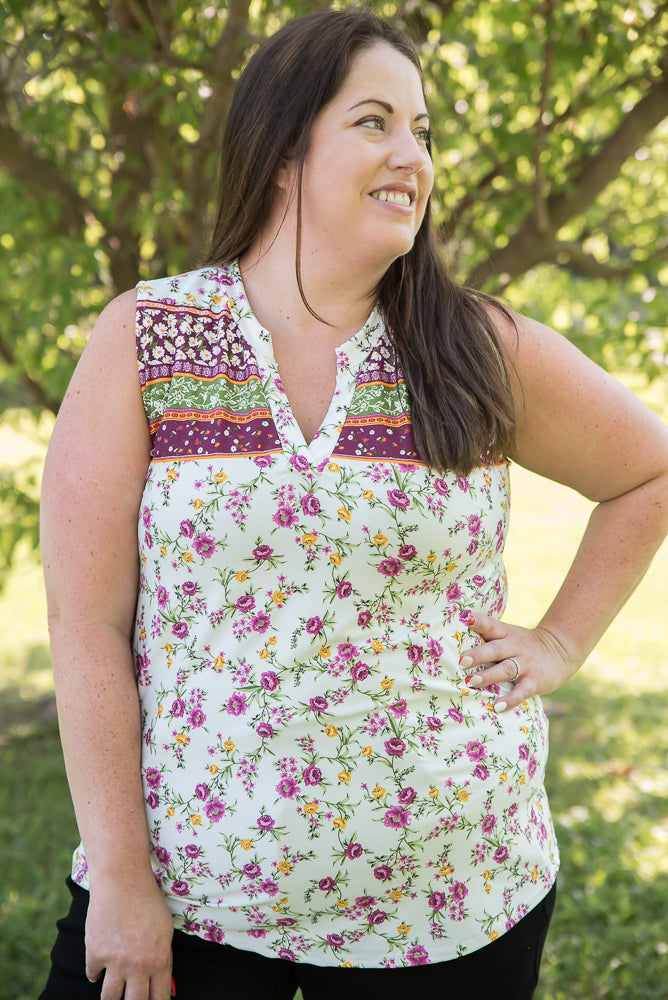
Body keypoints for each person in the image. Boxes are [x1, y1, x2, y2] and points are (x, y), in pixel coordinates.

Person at [38, 8, 668, 1000]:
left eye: (422, 131)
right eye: (374, 121)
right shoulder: (149, 339)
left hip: (452, 905)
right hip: (194, 897)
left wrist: (560, 640)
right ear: (283, 148)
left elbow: (648, 471)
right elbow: (86, 621)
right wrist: (119, 872)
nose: (410, 154)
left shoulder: (474, 347)